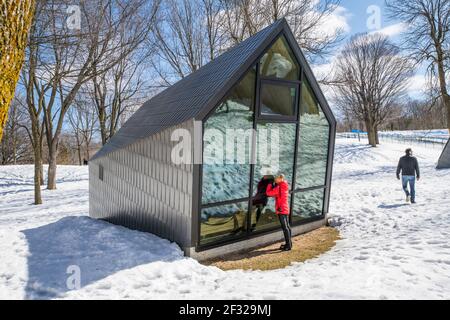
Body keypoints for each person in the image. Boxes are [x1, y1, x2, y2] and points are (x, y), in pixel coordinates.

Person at [266, 174, 292, 251]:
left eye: (276, 179)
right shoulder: (284, 185)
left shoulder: (279, 187)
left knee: (285, 227)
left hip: (281, 209)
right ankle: (289, 244)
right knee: (287, 226)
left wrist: (270, 184)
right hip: (285, 208)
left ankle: (288, 246)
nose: (275, 180)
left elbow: (268, 193)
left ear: (281, 178)